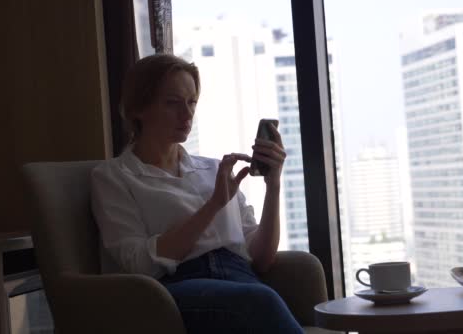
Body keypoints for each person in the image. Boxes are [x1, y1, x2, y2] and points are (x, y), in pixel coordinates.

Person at [90, 53, 303, 333]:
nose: (187, 114)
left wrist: (273, 186)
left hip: (241, 277)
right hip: (176, 287)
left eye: (191, 102)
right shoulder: (113, 177)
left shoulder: (214, 169)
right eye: (173, 103)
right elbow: (139, 265)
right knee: (260, 300)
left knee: (259, 299)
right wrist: (213, 206)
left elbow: (261, 258)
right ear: (138, 109)